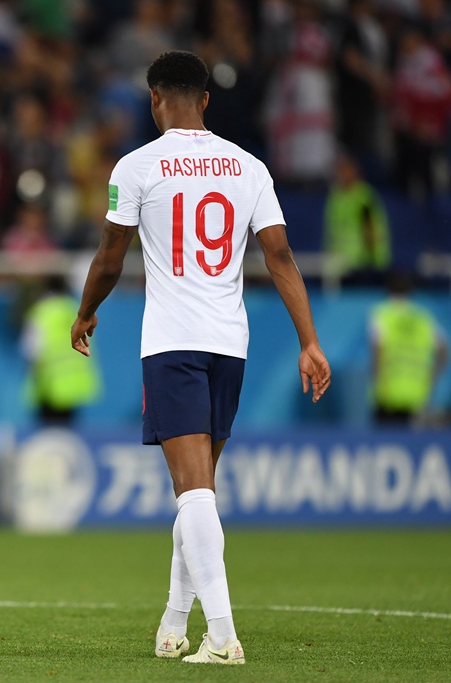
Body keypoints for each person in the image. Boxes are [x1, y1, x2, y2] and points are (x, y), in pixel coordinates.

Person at [70, 51, 331, 665]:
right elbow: (282, 257)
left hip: (173, 344)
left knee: (192, 495)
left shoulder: (136, 166)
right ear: (206, 100)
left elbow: (111, 256)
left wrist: (85, 311)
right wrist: (309, 340)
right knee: (200, 490)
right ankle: (172, 624)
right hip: (229, 346)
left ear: (155, 98)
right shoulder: (249, 166)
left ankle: (222, 636)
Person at [370, 272, 448, 425]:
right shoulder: (423, 318)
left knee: (386, 441)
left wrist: (377, 382)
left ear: (388, 291)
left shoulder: (382, 315)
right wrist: (432, 378)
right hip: (418, 394)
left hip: (388, 394)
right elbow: (444, 350)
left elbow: (377, 351)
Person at [21, 275, 99, 425]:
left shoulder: (41, 311)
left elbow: (31, 348)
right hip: (74, 380)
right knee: (68, 431)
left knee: (51, 435)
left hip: (49, 383)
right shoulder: (75, 309)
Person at [323, 154, 390, 285]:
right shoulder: (336, 197)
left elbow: (369, 226)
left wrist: (372, 261)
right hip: (341, 263)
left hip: (363, 262)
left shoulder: (364, 196)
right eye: (341, 172)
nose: (343, 175)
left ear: (356, 173)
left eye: (347, 171)